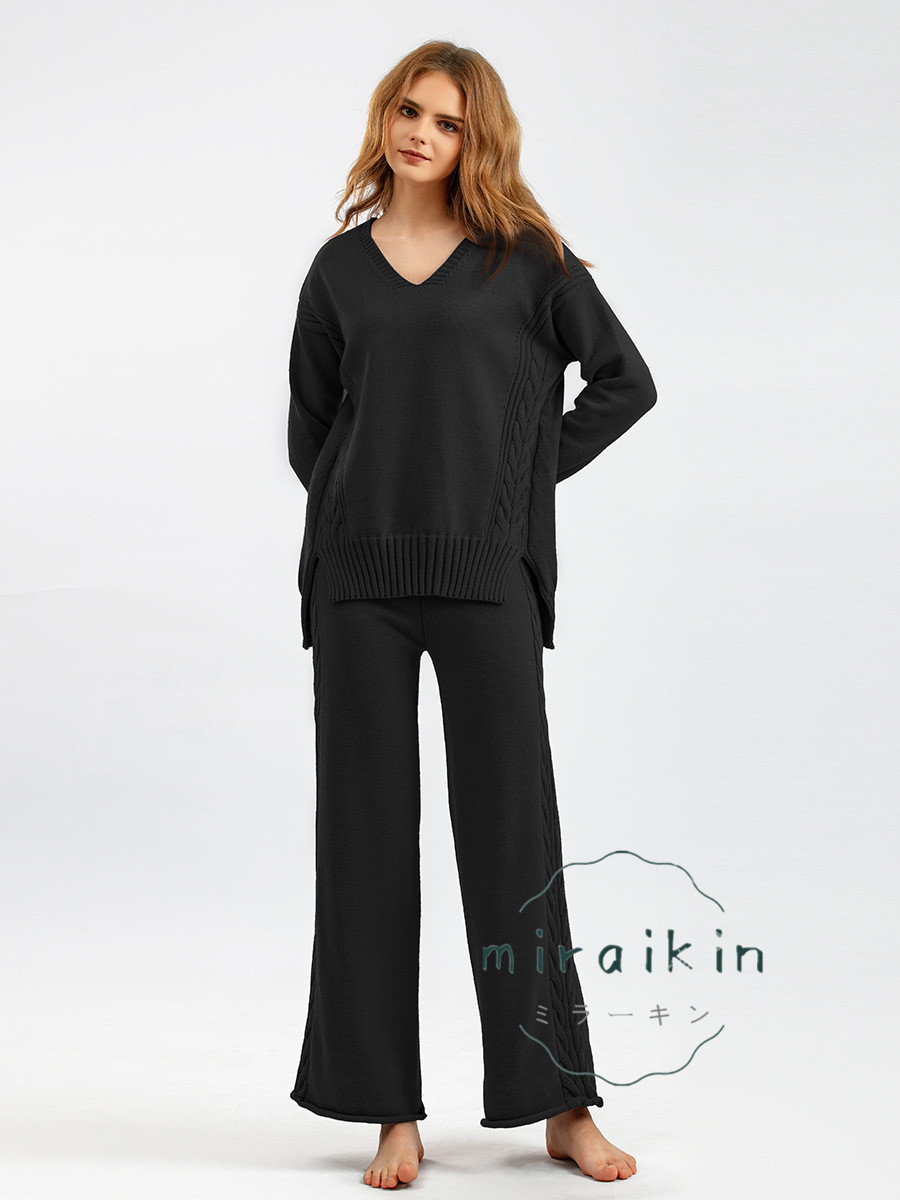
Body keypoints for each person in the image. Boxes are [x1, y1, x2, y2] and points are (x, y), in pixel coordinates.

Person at [286, 40, 657, 1189]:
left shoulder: (528, 262)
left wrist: (516, 486)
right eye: (409, 110)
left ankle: (561, 1105)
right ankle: (387, 1111)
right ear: (384, 118)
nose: (421, 134)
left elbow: (626, 381)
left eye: (446, 122)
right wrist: (359, 505)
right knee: (363, 842)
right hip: (358, 585)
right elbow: (310, 431)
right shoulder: (337, 272)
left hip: (488, 578)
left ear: (473, 141)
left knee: (513, 838)